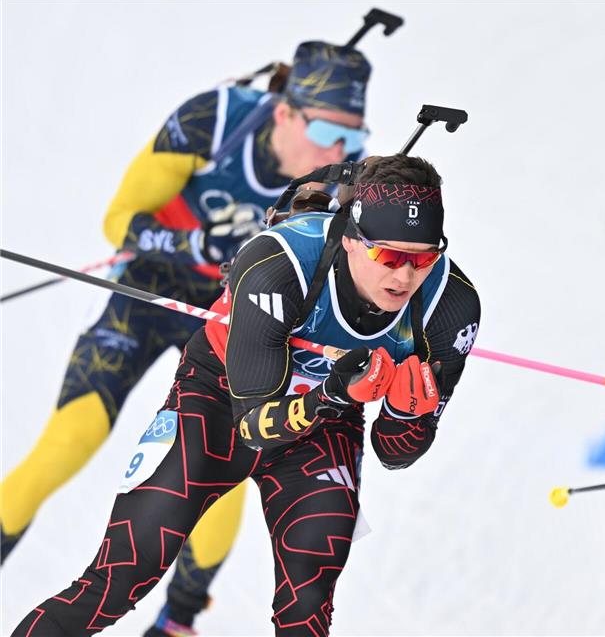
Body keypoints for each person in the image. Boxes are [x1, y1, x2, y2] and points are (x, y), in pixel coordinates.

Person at [12, 153, 482, 636]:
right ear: (351, 239)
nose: (405, 277)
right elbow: (253, 426)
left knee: (308, 609)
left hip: (322, 429)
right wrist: (335, 392)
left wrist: (409, 414)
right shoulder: (278, 263)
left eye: (423, 258)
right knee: (120, 577)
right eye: (390, 256)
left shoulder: (449, 305)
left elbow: (396, 454)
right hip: (219, 403)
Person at [1, 38, 375, 636]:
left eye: (358, 139)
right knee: (66, 443)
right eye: (335, 132)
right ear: (285, 112)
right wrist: (193, 245)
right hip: (148, 294)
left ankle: (176, 620)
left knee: (218, 476)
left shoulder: (338, 184)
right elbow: (119, 219)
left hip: (226, 320)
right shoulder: (213, 121)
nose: (345, 151)